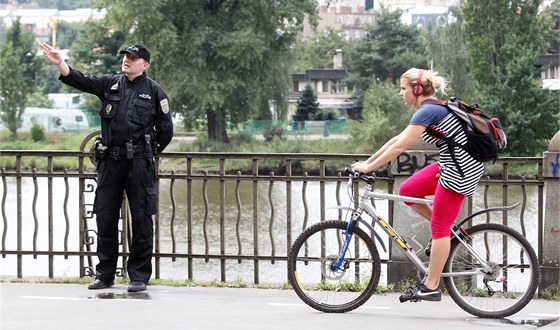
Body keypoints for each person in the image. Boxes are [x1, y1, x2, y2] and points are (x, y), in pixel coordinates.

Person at [39, 42, 174, 292]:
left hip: (139, 164)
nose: (127, 60)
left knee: (142, 219)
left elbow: (165, 130)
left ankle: (138, 276)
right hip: (110, 162)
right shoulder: (110, 83)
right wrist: (60, 62)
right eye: (126, 56)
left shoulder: (154, 92)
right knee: (105, 217)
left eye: (133, 58)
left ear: (144, 65)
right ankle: (105, 275)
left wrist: (146, 152)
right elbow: (81, 80)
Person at [351, 68, 484, 302]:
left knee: (439, 228)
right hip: (451, 165)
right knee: (407, 191)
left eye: (403, 88)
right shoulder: (429, 109)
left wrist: (370, 168)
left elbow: (400, 149)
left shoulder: (429, 110)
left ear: (418, 89)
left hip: (459, 171)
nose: (400, 93)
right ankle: (447, 229)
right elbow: (396, 140)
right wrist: (368, 162)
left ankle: (432, 286)